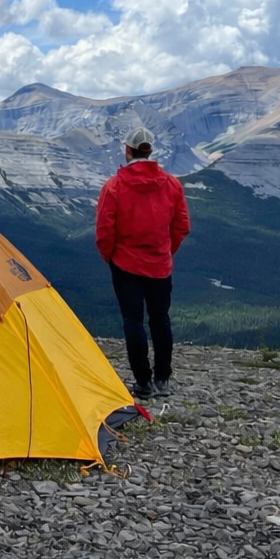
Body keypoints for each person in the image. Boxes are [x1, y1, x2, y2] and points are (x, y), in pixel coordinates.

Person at [95, 126, 190, 401]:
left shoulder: (114, 186)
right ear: (150, 150)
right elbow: (182, 225)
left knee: (133, 321)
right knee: (161, 320)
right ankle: (163, 379)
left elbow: (104, 231)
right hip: (160, 266)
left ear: (128, 150)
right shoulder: (171, 184)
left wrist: (111, 257)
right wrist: (165, 251)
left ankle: (142, 383)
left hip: (125, 265)